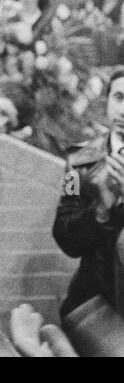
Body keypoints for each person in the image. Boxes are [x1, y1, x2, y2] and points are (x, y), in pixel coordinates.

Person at [53, 69, 124, 320]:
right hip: (95, 304)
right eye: (119, 97)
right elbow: (65, 236)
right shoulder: (79, 161)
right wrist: (103, 209)